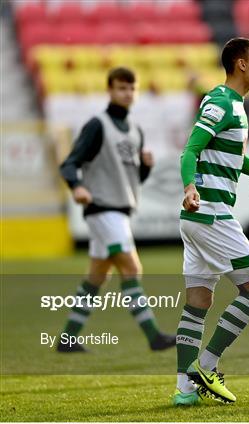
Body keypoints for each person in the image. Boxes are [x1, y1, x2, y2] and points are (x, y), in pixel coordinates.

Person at [173, 37, 249, 407]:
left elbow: (235, 159)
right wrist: (190, 186)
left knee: (198, 302)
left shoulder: (235, 107)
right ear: (241, 65)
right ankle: (208, 365)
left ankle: (184, 391)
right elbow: (191, 149)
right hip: (211, 213)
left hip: (196, 219)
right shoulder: (221, 102)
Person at [58, 67, 175, 353]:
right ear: (110, 90)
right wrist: (77, 186)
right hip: (102, 209)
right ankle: (154, 337)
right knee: (132, 268)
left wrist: (145, 166)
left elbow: (135, 180)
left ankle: (67, 338)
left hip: (120, 210)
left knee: (98, 275)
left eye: (131, 88)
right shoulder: (97, 125)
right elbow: (69, 163)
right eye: (121, 88)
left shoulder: (136, 131)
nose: (127, 93)